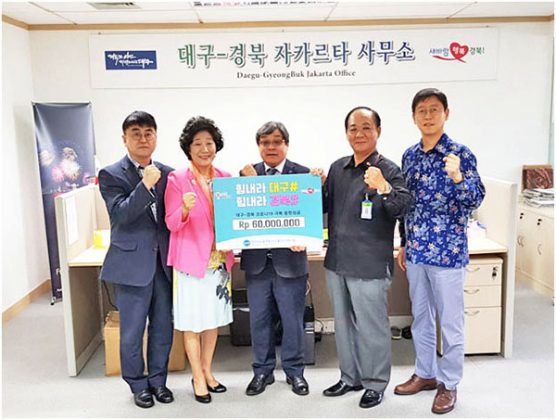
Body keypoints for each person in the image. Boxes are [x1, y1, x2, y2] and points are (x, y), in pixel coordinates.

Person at [394, 88, 485, 415]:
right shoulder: (409, 156)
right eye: (422, 110)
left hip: (448, 252)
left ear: (446, 113)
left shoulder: (460, 153)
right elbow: (406, 204)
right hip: (417, 250)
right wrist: (404, 242)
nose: (428, 116)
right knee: (421, 317)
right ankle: (425, 373)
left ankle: (449, 383)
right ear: (414, 117)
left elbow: (475, 200)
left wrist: (458, 177)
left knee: (450, 322)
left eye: (434, 109)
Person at [314, 106, 411, 409]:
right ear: (346, 133)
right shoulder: (338, 168)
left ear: (378, 131)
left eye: (366, 127)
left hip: (370, 264)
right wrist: (314, 187)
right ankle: (350, 377)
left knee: (372, 327)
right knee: (343, 326)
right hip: (337, 261)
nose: (359, 134)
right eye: (353, 128)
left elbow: (402, 207)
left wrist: (383, 187)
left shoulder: (389, 170)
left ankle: (375, 382)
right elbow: (321, 208)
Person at [99, 111, 174, 409]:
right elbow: (121, 215)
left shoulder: (169, 173)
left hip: (164, 264)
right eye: (136, 133)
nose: (143, 139)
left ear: (155, 137)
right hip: (131, 265)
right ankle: (137, 384)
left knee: (162, 327)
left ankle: (158, 381)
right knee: (132, 330)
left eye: (148, 133)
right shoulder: (111, 174)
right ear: (124, 138)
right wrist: (145, 186)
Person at [164, 116, 234, 404]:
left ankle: (207, 370)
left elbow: (235, 218)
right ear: (188, 148)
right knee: (192, 322)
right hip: (191, 263)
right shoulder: (177, 178)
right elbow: (170, 223)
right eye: (198, 144)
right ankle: (196, 376)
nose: (205, 149)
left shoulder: (226, 178)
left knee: (212, 321)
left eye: (209, 143)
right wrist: (183, 209)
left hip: (219, 262)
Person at [240, 121, 310, 397]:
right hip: (257, 263)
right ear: (258, 146)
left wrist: (305, 236)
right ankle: (262, 371)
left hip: (290, 262)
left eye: (277, 141)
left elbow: (314, 213)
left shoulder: (303, 175)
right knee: (259, 320)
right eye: (265, 142)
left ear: (286, 145)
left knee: (292, 320)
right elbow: (237, 214)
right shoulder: (246, 175)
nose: (271, 147)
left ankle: (295, 372)